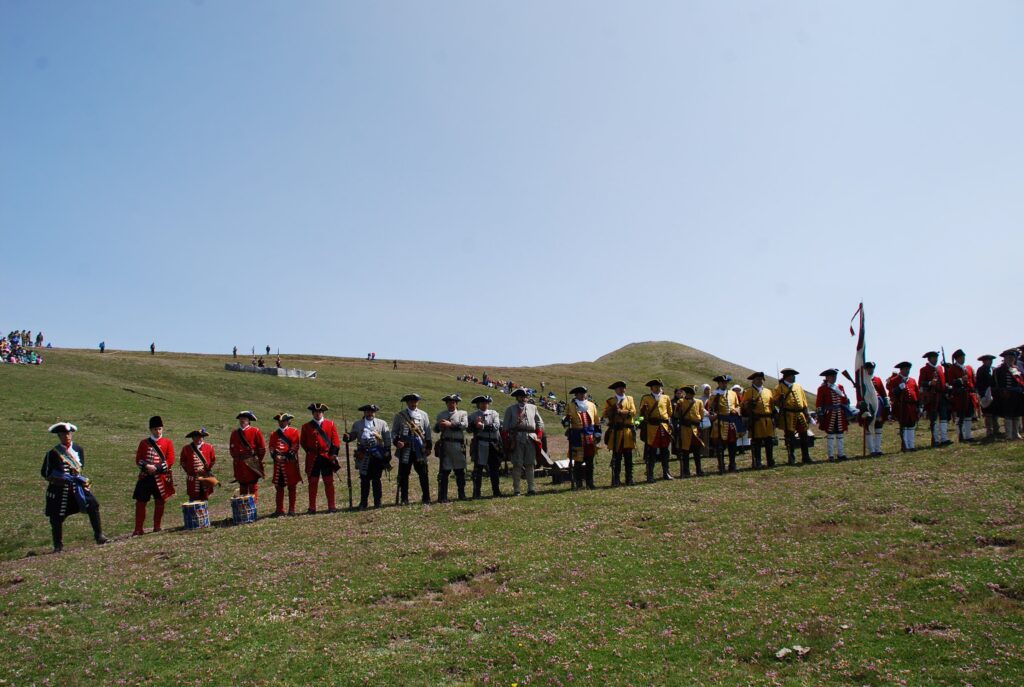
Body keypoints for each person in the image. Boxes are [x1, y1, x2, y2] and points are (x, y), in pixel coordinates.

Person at [42, 422, 108, 552]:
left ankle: (99, 535)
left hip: (77, 488)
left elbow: (80, 468)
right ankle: (58, 545)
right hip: (60, 489)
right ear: (59, 436)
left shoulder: (78, 449)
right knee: (56, 517)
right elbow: (46, 473)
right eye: (63, 434)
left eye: (68, 433)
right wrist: (60, 479)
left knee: (93, 505)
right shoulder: (53, 453)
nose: (66, 436)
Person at [133, 416, 176, 536]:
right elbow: (139, 459)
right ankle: (138, 529)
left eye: (160, 429)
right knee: (140, 502)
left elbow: (170, 460)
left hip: (160, 477)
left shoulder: (168, 442)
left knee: (160, 501)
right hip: (145, 477)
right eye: (155, 429)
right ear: (151, 430)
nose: (158, 431)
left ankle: (157, 526)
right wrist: (147, 467)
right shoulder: (144, 443)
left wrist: (156, 468)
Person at [344, 404, 392, 509]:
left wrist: (388, 452)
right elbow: (352, 436)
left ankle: (377, 502)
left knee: (376, 479)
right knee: (364, 480)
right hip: (363, 455)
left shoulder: (382, 423)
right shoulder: (357, 424)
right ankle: (363, 502)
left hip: (377, 456)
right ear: (364, 412)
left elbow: (387, 439)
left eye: (372, 411)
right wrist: (347, 437)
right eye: (368, 411)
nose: (370, 413)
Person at [300, 402, 342, 512]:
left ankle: (331, 506)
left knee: (328, 481)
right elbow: (303, 442)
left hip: (326, 457)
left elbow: (335, 441)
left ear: (323, 413)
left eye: (320, 412)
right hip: (313, 457)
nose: (318, 414)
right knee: (313, 482)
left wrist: (333, 454)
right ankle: (312, 507)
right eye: (315, 412)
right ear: (312, 413)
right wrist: (311, 451)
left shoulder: (330, 424)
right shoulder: (306, 426)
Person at [502, 388, 543, 496]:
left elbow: (539, 423)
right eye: (521, 396)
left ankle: (531, 488)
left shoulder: (533, 408)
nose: (523, 398)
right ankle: (517, 490)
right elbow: (505, 427)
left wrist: (538, 436)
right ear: (517, 398)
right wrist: (507, 441)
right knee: (517, 464)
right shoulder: (510, 409)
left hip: (530, 437)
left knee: (530, 464)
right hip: (516, 438)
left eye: (525, 396)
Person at [393, 393, 433, 504]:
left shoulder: (424, 415)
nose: (413, 403)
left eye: (415, 401)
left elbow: (427, 432)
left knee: (423, 473)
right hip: (406, 448)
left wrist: (428, 446)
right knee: (404, 474)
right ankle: (404, 499)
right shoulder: (400, 415)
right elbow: (394, 432)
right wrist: (397, 442)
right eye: (410, 401)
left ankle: (426, 497)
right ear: (407, 402)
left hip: (420, 449)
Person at [563, 386, 601, 490]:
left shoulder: (591, 405)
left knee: (590, 461)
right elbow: (566, 420)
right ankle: (578, 483)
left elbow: (596, 420)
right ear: (576, 395)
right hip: (577, 436)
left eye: (584, 393)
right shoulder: (571, 405)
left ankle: (590, 482)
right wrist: (566, 421)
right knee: (578, 462)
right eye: (580, 393)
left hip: (589, 436)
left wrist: (598, 433)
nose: (582, 395)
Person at [773, 369, 813, 464]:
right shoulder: (779, 388)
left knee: (804, 435)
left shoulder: (798, 386)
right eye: (792, 375)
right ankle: (791, 456)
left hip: (800, 414)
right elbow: (774, 402)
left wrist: (806, 413)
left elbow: (803, 400)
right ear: (787, 376)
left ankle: (806, 456)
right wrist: (780, 399)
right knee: (789, 437)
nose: (794, 377)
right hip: (788, 414)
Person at [434, 394, 470, 502]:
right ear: (446, 404)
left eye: (453, 402)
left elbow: (464, 425)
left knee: (460, 471)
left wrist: (450, 424)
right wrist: (439, 426)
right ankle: (443, 496)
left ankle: (462, 495)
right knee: (444, 472)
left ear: (456, 403)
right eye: (449, 402)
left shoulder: (462, 413)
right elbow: (436, 430)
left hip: (458, 445)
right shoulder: (441, 414)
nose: (451, 404)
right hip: (446, 445)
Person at [637, 379, 674, 482]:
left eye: (659, 386)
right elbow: (642, 413)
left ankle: (666, 473)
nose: (657, 388)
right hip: (652, 427)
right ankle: (650, 475)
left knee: (665, 451)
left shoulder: (666, 398)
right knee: (651, 452)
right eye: (655, 386)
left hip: (664, 426)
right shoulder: (646, 398)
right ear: (651, 388)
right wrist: (644, 411)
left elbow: (670, 412)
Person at [602, 381, 637, 486]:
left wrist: (622, 412)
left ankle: (629, 478)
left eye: (623, 387)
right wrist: (612, 410)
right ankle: (616, 479)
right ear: (615, 390)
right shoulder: (610, 401)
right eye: (619, 388)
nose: (622, 389)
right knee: (616, 457)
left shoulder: (630, 399)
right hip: (616, 432)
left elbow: (633, 412)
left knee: (628, 456)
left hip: (627, 432)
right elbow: (605, 414)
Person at [468, 395, 503, 498]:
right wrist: (474, 424)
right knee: (478, 469)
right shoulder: (473, 416)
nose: (485, 404)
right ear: (478, 404)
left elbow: (496, 426)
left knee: (494, 469)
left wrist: (482, 426)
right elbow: (468, 429)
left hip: (493, 444)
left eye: (486, 402)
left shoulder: (494, 413)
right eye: (482, 402)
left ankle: (496, 491)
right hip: (480, 444)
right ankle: (476, 493)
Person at [268, 413, 302, 516]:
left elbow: (295, 446)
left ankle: (292, 509)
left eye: (283, 421)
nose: (281, 422)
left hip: (289, 464)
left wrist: (286, 456)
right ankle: (279, 510)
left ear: (288, 421)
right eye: (279, 421)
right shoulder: (274, 434)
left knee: (292, 487)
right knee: (279, 487)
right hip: (278, 465)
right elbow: (271, 447)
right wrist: (275, 456)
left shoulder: (294, 431)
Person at [742, 372, 776, 469]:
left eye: (761, 379)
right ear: (753, 380)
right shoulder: (748, 392)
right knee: (757, 442)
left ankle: (770, 460)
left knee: (769, 441)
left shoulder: (768, 391)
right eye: (758, 379)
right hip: (756, 419)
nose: (760, 381)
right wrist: (749, 404)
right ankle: (757, 461)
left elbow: (772, 405)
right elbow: (743, 406)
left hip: (768, 419)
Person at [855, 362, 890, 457]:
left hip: (878, 405)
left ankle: (878, 449)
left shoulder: (877, 379)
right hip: (867, 405)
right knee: (868, 427)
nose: (870, 370)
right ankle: (871, 450)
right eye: (868, 368)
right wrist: (861, 404)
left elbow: (883, 393)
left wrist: (886, 403)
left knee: (878, 427)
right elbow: (859, 395)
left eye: (872, 368)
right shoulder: (861, 381)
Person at [229, 411, 266, 501]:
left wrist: (256, 460)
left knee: (253, 485)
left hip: (251, 462)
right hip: (239, 463)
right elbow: (232, 449)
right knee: (242, 485)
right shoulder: (234, 433)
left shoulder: (255, 431)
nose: (242, 420)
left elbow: (262, 449)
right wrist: (237, 459)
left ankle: (253, 508)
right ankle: (244, 509)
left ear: (249, 420)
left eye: (244, 419)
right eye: (241, 419)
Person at [707, 375, 741, 473]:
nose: (724, 384)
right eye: (722, 382)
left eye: (726, 382)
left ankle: (732, 464)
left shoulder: (733, 393)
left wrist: (736, 410)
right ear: (719, 383)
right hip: (720, 422)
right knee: (720, 445)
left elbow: (738, 405)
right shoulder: (714, 395)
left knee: (732, 444)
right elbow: (710, 409)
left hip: (731, 421)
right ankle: (721, 465)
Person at [816, 369, 851, 461]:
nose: (834, 378)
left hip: (840, 413)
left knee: (840, 433)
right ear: (827, 377)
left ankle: (841, 454)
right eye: (832, 376)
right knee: (830, 434)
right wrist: (820, 414)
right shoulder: (822, 388)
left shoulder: (840, 387)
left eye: (835, 376)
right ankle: (830, 455)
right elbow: (819, 402)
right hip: (829, 413)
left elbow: (844, 400)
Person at [945, 349, 979, 443]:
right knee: (960, 416)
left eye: (963, 357)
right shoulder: (952, 369)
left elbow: (973, 381)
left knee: (969, 416)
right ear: (956, 358)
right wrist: (960, 380)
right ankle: (961, 435)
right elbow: (951, 382)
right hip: (959, 395)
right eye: (961, 357)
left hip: (969, 394)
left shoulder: (969, 368)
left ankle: (968, 435)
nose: (963, 359)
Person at [919, 351, 951, 447]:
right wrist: (929, 383)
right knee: (934, 419)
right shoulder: (924, 369)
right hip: (932, 397)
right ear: (929, 359)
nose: (935, 359)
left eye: (936, 357)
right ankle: (936, 440)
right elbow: (921, 383)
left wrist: (946, 385)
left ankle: (944, 438)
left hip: (941, 395)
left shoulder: (940, 368)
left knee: (944, 418)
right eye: (933, 358)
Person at [886, 362, 921, 452]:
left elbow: (917, 393)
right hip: (902, 406)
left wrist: (919, 405)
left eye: (908, 369)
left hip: (912, 405)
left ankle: (911, 445)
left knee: (911, 425)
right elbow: (891, 394)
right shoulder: (894, 380)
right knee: (904, 426)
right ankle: (905, 446)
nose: (907, 371)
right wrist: (898, 389)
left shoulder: (912, 380)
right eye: (905, 369)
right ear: (901, 370)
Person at [673, 385, 705, 477]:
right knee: (685, 451)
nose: (692, 394)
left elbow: (701, 415)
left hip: (695, 428)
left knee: (697, 451)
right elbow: (676, 415)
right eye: (691, 392)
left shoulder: (699, 402)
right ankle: (686, 471)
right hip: (685, 428)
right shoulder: (681, 401)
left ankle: (699, 470)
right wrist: (678, 409)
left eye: (693, 393)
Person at [180, 428, 218, 501]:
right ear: (192, 438)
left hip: (205, 477)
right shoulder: (186, 449)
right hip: (193, 479)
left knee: (205, 498)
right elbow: (183, 462)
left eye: (200, 437)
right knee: (193, 499)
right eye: (195, 437)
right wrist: (191, 471)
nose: (198, 439)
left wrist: (205, 470)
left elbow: (212, 461)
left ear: (203, 437)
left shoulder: (209, 447)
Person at [994, 349, 1024, 440]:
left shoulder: (1016, 368)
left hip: (1017, 394)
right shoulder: (999, 369)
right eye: (1009, 357)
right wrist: (1001, 392)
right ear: (1005, 358)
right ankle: (1009, 435)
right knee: (1008, 415)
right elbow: (996, 383)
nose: (1011, 359)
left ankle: (1016, 433)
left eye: (1012, 357)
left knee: (1017, 414)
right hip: (1007, 395)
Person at [976, 354, 1000, 440]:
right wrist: (982, 394)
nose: (990, 361)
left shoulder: (994, 369)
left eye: (991, 360)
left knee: (995, 413)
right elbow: (979, 384)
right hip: (985, 394)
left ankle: (996, 429)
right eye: (988, 360)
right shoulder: (981, 370)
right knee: (988, 414)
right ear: (984, 361)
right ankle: (989, 431)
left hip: (993, 393)